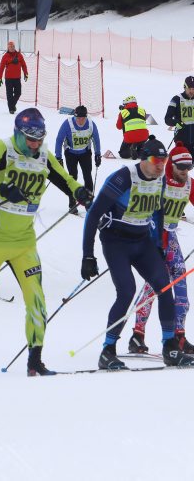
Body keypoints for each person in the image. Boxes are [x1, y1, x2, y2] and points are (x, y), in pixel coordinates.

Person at [0, 108, 90, 380]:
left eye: (39, 139)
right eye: (29, 139)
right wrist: (1, 189)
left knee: (37, 301)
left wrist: (79, 191)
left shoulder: (42, 155)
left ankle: (35, 361)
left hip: (24, 242)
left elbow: (64, 178)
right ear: (18, 133)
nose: (35, 144)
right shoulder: (1, 149)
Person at [82, 137, 194, 369]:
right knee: (127, 291)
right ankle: (108, 350)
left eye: (163, 161)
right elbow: (93, 215)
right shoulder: (123, 177)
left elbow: (158, 213)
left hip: (142, 241)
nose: (161, 165)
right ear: (144, 159)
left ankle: (170, 346)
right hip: (116, 242)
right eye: (156, 160)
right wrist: (88, 255)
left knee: (164, 287)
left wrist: (159, 246)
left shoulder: (160, 179)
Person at [130, 143, 194, 353]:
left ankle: (180, 336)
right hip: (153, 238)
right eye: (181, 167)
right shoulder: (160, 181)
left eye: (189, 167)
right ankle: (137, 334)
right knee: (154, 286)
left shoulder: (189, 184)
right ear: (171, 165)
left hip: (171, 239)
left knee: (181, 286)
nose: (185, 171)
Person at [54, 105, 101, 213]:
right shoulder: (68, 124)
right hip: (71, 153)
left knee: (88, 177)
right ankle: (72, 204)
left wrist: (98, 154)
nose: (80, 120)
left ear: (86, 117)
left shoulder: (91, 124)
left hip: (85, 153)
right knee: (72, 178)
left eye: (82, 118)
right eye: (77, 118)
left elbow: (96, 139)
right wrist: (58, 157)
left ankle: (89, 203)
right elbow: (59, 140)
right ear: (74, 117)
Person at [0, 41, 29, 114]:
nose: (12, 48)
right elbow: (1, 67)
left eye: (13, 46)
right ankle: (11, 109)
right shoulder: (5, 56)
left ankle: (12, 105)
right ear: (8, 48)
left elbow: (24, 65)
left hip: (17, 78)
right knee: (9, 94)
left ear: (15, 47)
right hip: (8, 79)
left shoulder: (19, 55)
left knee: (18, 93)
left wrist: (26, 73)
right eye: (10, 47)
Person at [165, 76, 194, 149]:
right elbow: (167, 119)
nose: (191, 91)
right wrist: (176, 122)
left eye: (193, 89)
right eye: (189, 89)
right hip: (181, 140)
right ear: (185, 87)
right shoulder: (176, 99)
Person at [116, 94, 149, 159]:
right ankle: (140, 152)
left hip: (129, 137)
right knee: (141, 147)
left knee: (123, 154)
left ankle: (130, 152)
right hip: (144, 136)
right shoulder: (142, 110)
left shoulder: (123, 112)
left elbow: (118, 126)